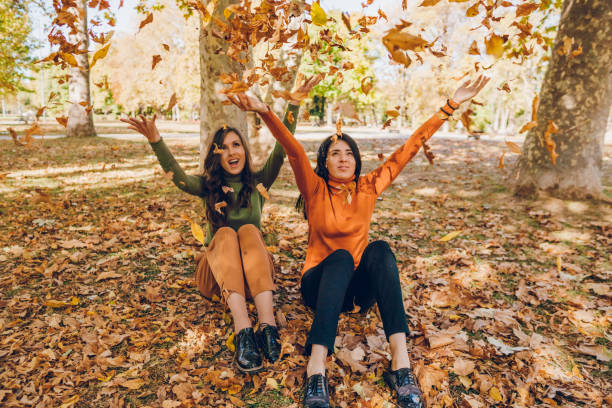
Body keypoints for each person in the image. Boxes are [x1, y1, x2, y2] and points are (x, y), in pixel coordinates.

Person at [228, 75, 490, 407]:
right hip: (319, 286)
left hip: (356, 295)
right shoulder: (315, 188)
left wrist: (450, 105)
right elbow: (292, 149)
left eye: (348, 153)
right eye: (335, 153)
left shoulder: (368, 187)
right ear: (324, 161)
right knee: (338, 257)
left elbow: (408, 148)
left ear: (355, 160)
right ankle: (316, 367)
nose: (342, 158)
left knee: (379, 249)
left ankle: (401, 362)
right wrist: (265, 110)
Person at [119, 76, 319, 374]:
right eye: (223, 148)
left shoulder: (258, 183)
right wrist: (155, 141)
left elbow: (285, 147)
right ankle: (243, 332)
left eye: (236, 145)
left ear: (244, 150)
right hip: (217, 281)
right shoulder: (207, 187)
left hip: (256, 280)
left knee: (250, 231)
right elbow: (179, 178)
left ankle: (268, 327)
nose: (231, 152)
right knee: (226, 233)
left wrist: (294, 103)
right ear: (216, 155)